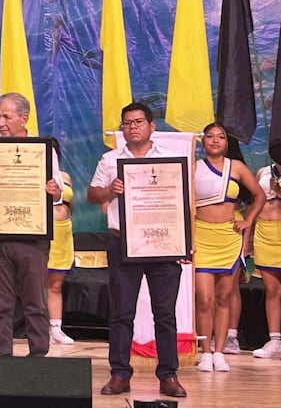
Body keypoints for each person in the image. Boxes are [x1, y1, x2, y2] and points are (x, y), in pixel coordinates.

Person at [87, 101, 187, 398]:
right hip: (123, 242)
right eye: (127, 122)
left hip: (163, 243)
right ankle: (119, 374)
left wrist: (183, 242)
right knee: (121, 313)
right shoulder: (109, 160)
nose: (132, 127)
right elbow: (92, 194)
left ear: (151, 126)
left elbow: (182, 201)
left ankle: (168, 375)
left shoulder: (170, 159)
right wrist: (109, 191)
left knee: (165, 314)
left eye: (138, 122)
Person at [0, 92, 62, 357]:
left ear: (24, 118)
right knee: (1, 304)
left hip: (33, 237)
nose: (0, 122)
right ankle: (2, 360)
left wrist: (53, 189)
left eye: (6, 116)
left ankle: (39, 357)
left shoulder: (44, 150)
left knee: (34, 302)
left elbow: (58, 192)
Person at [192, 123, 264, 372]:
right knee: (204, 299)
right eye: (210, 137)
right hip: (201, 237)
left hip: (229, 237)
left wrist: (248, 221)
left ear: (226, 142)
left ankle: (220, 352)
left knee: (224, 297)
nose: (215, 140)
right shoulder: (194, 168)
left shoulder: (238, 167)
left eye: (220, 137)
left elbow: (260, 196)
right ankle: (205, 352)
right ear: (203, 142)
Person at [253, 161, 281, 358]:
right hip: (264, 233)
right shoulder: (263, 171)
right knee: (272, 290)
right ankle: (274, 340)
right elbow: (255, 202)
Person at [46, 167, 76, 345]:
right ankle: (38, 328)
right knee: (34, 285)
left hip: (62, 233)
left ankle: (56, 329)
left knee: (56, 285)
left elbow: (70, 205)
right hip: (40, 232)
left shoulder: (64, 176)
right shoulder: (32, 173)